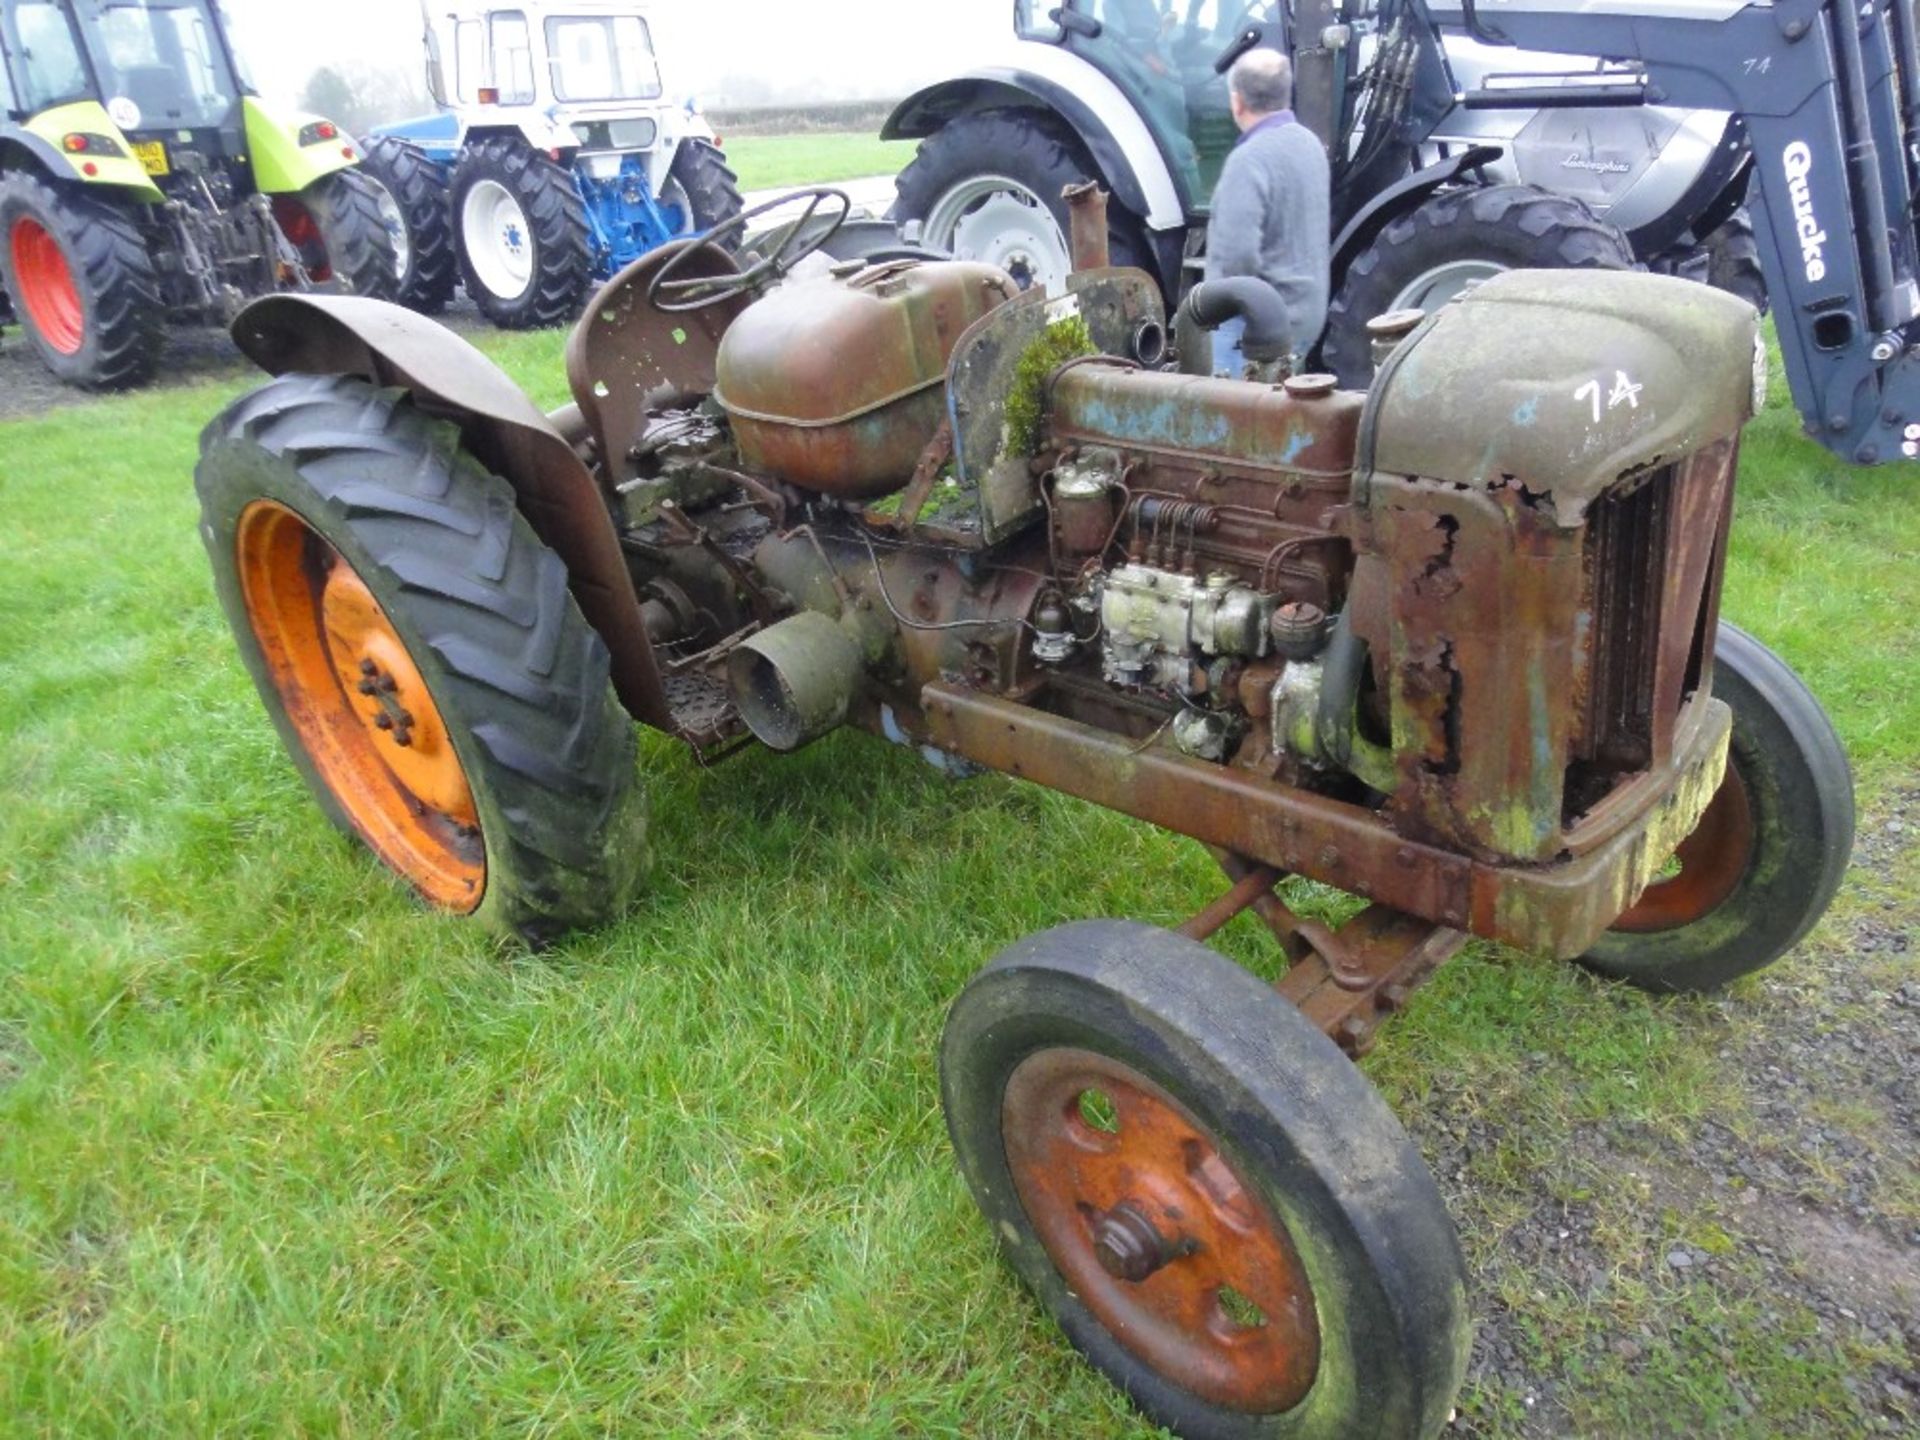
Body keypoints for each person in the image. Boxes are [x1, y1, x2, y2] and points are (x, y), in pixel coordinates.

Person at [1204, 49, 1331, 378]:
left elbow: (1236, 261)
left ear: (1237, 102)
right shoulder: (1310, 144)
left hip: (1255, 331)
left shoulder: (1248, 161)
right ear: (1286, 94)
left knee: (1227, 421)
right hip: (1305, 319)